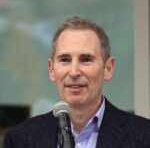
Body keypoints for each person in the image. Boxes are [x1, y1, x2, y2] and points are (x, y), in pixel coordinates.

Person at [3, 16, 150, 148]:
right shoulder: (19, 140)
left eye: (86, 60)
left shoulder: (144, 136)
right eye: (65, 60)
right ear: (51, 70)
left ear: (108, 68)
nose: (74, 72)